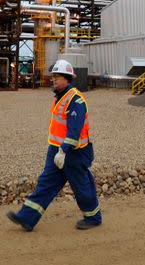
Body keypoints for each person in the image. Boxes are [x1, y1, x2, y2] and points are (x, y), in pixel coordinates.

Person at [6, 59, 102, 231]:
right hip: (57, 151)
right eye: (54, 77)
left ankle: (93, 217)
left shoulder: (76, 100)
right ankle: (27, 218)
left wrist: (64, 151)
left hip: (74, 153)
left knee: (81, 186)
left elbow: (74, 131)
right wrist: (58, 151)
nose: (53, 80)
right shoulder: (60, 97)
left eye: (57, 77)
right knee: (46, 183)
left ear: (67, 79)